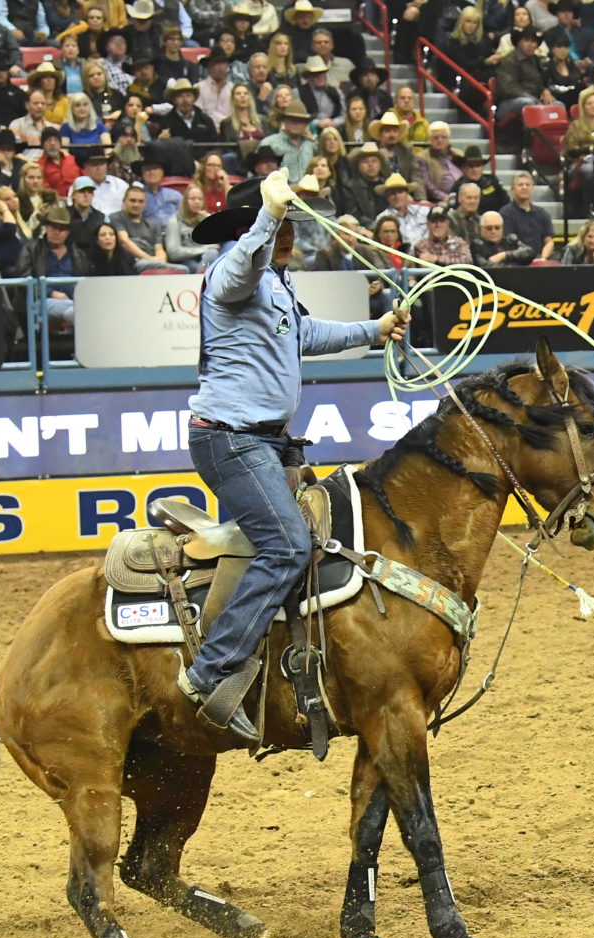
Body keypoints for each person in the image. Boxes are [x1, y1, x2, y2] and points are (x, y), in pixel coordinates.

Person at [177, 170, 407, 743]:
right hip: (232, 438)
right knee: (287, 545)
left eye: (288, 224)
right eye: (280, 223)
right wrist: (269, 215)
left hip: (261, 440)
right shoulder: (231, 272)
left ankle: (290, 667)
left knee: (305, 538)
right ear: (248, 225)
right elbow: (241, 268)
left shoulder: (275, 285)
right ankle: (210, 672)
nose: (288, 234)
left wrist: (373, 329)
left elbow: (305, 334)